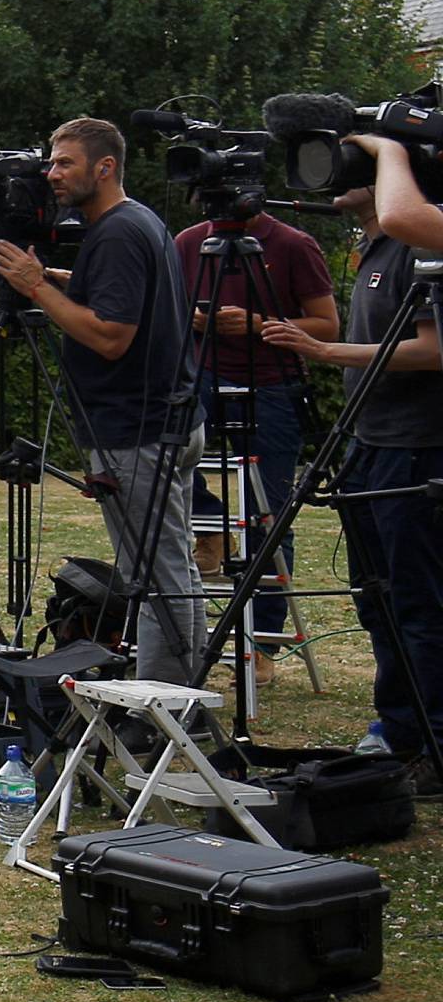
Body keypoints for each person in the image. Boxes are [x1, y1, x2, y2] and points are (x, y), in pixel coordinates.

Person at [0, 117, 205, 682]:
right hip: (165, 420)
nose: (50, 173)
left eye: (64, 163)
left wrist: (36, 286)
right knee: (168, 566)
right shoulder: (138, 224)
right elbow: (120, 294)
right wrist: (57, 276)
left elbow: (111, 335)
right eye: (50, 161)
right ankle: (174, 686)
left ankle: (165, 703)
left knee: (155, 574)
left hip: (135, 429)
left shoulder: (114, 233)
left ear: (104, 167)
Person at [262, 143, 443, 788]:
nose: (330, 176)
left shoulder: (419, 241)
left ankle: (430, 748)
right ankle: (397, 729)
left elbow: (433, 348)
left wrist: (324, 351)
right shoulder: (370, 248)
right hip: (373, 444)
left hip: (416, 448)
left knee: (418, 604)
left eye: (349, 163)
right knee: (379, 601)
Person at [175, 204, 337, 672]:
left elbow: (326, 325)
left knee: (266, 514)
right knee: (161, 453)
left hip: (272, 386)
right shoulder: (188, 242)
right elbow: (166, 311)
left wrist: (256, 323)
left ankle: (261, 644)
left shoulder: (290, 243)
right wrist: (196, 321)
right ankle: (213, 530)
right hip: (202, 376)